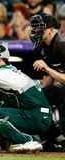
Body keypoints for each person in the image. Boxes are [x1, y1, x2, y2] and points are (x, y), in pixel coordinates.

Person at [30, 13, 65, 150]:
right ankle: (53, 136)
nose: (35, 32)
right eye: (34, 28)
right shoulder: (45, 47)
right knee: (38, 97)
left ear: (51, 30)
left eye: (40, 28)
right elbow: (49, 80)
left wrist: (46, 68)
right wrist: (35, 90)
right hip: (60, 86)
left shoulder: (62, 45)